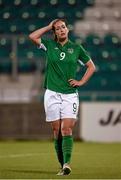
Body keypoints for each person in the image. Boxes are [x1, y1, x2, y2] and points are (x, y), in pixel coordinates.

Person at [29, 19, 96, 175]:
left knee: (66, 129)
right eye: (58, 28)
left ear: (68, 30)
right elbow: (32, 36)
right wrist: (48, 26)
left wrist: (81, 81)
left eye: (63, 27)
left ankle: (67, 164)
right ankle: (62, 165)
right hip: (51, 93)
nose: (61, 30)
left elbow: (91, 66)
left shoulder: (76, 48)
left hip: (70, 95)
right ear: (54, 32)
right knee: (56, 131)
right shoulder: (49, 45)